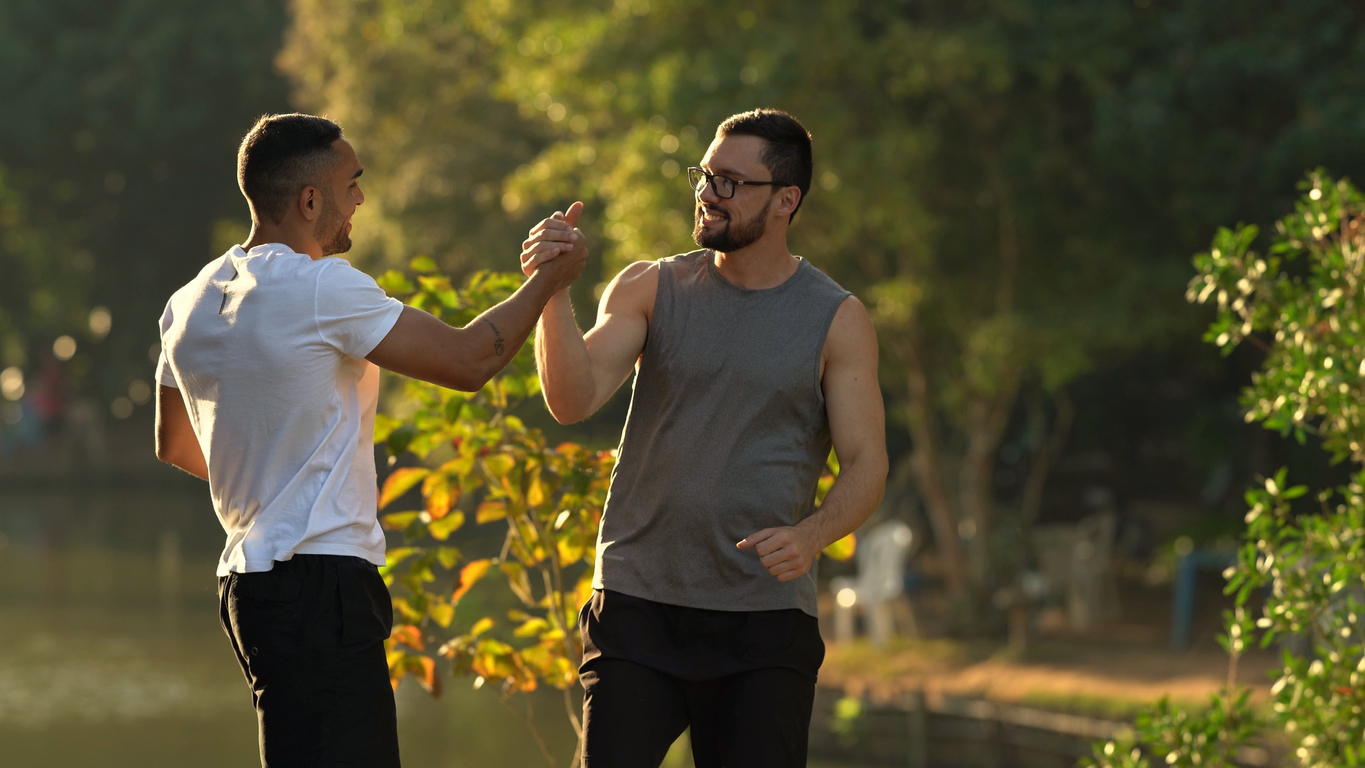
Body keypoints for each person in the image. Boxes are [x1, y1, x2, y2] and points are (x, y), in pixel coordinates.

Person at [153, 113, 587, 768]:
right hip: (322, 583)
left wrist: (268, 474)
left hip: (248, 588)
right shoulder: (322, 287)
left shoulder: (187, 300)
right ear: (309, 200)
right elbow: (469, 362)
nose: (359, 200)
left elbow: (175, 445)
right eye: (352, 185)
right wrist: (547, 283)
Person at [523, 108, 888, 768]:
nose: (707, 192)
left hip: (763, 624)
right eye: (703, 175)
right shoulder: (648, 286)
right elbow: (572, 400)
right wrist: (552, 293)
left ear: (785, 200)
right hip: (638, 606)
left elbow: (866, 463)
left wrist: (810, 536)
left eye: (729, 181)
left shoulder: (836, 318)